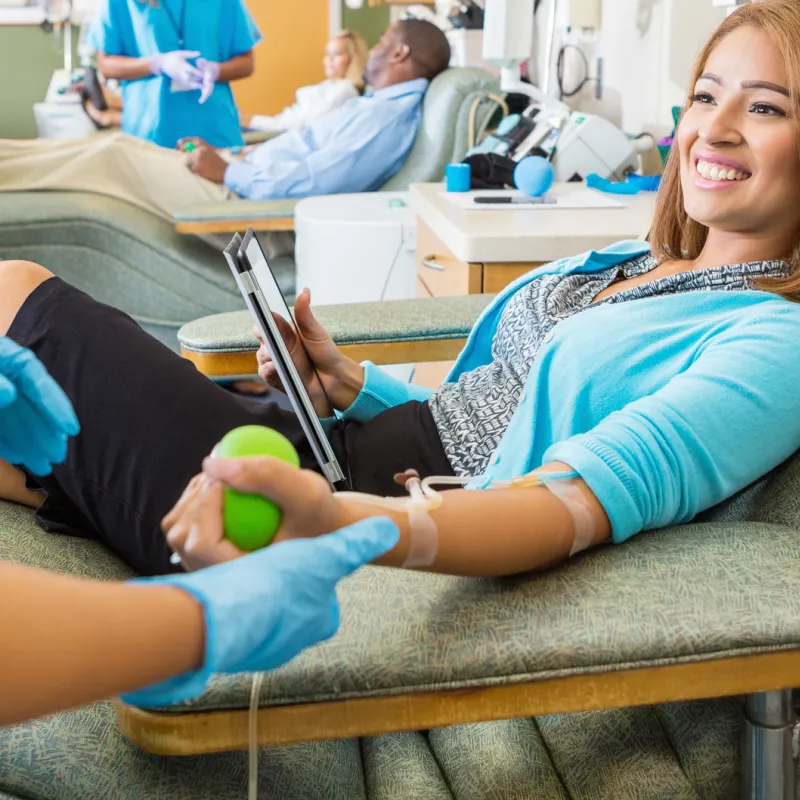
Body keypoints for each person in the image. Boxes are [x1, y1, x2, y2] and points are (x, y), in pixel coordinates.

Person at [3, 0, 800, 579]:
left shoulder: (775, 341)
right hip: (338, 455)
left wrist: (337, 527)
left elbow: (567, 507)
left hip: (353, 521)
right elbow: (481, 414)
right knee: (22, 430)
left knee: (15, 292)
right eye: (704, 95)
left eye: (763, 107)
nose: (714, 127)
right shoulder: (636, 259)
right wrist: (351, 384)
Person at [0, 327, 398, 725]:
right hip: (368, 444)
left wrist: (197, 620)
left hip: (367, 478)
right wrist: (208, 619)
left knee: (13, 288)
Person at [0, 19, 451, 220]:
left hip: (244, 199)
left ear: (399, 53)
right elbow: (306, 154)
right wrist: (241, 153)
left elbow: (317, 183)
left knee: (112, 155)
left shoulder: (388, 116)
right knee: (123, 146)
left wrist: (229, 169)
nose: (371, 48)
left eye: (381, 41)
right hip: (242, 174)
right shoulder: (373, 105)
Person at [86, 0, 261, 148]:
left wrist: (215, 71)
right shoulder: (121, 3)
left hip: (214, 131)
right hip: (151, 134)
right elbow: (106, 65)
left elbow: (246, 62)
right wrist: (157, 64)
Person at [240, 30, 368, 135]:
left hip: (287, 133)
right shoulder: (328, 86)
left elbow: (304, 125)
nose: (329, 59)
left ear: (353, 58)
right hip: (280, 128)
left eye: (337, 54)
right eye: (327, 54)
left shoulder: (345, 90)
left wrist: (253, 121)